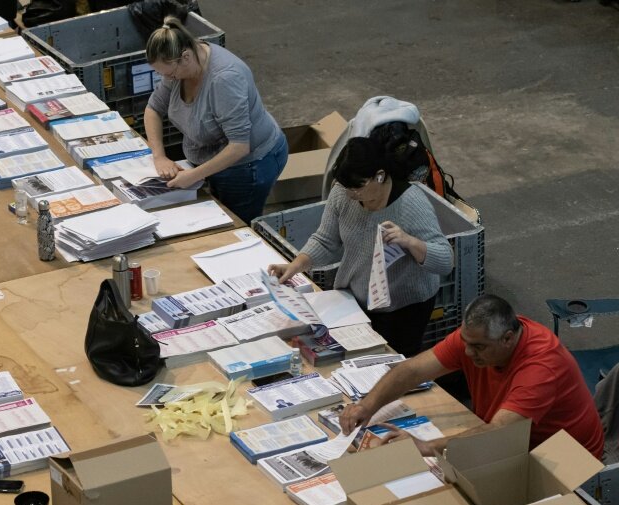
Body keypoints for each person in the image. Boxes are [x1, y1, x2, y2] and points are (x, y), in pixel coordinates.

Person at [339, 294, 605, 459]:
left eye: (478, 347)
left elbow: (499, 433)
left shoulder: (541, 367)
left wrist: (427, 447)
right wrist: (366, 406)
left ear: (507, 338)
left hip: (565, 460)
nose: (467, 352)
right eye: (465, 342)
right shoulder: (479, 337)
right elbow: (412, 370)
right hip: (514, 443)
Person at [268, 137, 453, 356]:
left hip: (404, 308)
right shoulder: (344, 193)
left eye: (358, 188)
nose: (352, 194)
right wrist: (295, 266)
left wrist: (410, 241)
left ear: (380, 175)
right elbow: (325, 239)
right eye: (347, 188)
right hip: (355, 298)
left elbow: (445, 260)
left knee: (392, 361)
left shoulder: (411, 204)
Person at [144, 16, 288, 225]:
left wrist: (193, 176)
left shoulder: (224, 80)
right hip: (208, 155)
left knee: (235, 224)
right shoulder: (178, 65)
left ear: (186, 57)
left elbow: (239, 146)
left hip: (247, 165)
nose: (168, 79)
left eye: (171, 74)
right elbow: (153, 108)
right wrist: (159, 157)